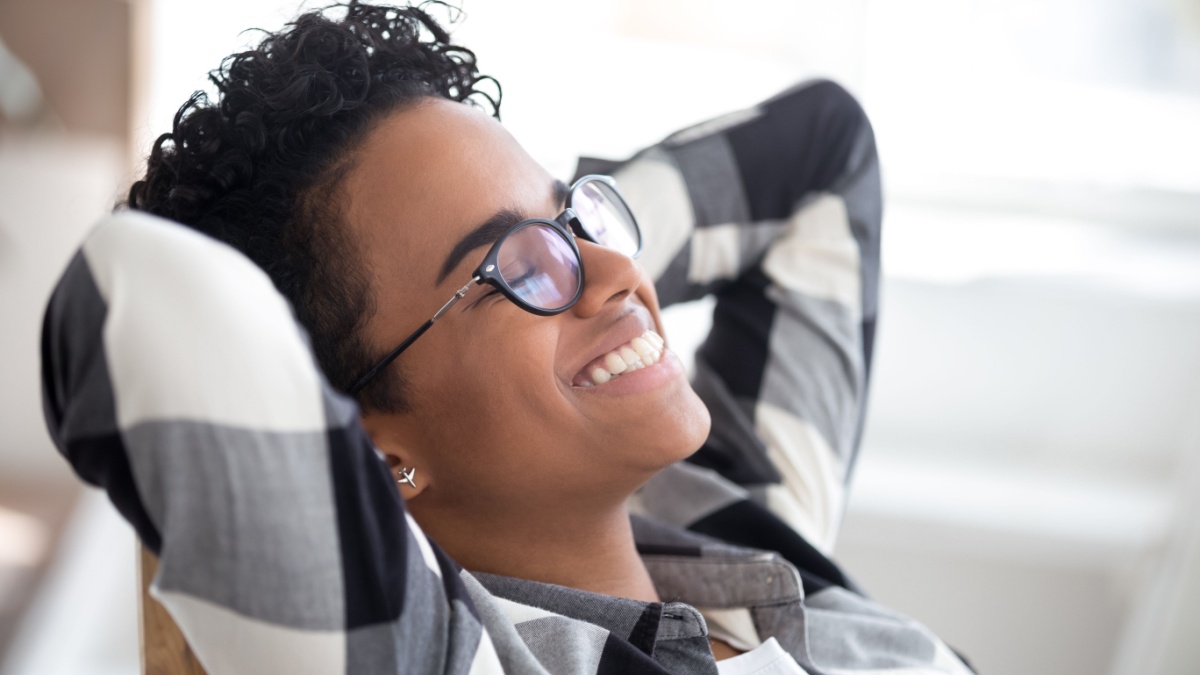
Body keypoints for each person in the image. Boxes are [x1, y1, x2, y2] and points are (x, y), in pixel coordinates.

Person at [41, 2, 972, 673]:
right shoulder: (447, 655)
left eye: (578, 222)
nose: (620, 277)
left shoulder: (732, 525)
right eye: (511, 269)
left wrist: (567, 246)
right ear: (374, 443)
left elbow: (820, 155)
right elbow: (141, 290)